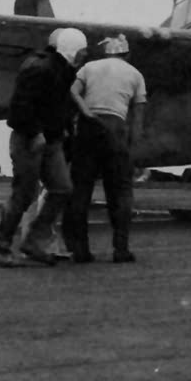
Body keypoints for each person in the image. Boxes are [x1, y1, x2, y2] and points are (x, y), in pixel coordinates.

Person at [0, 28, 92, 265]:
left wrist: (63, 130)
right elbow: (20, 106)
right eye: (82, 51)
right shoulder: (40, 67)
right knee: (24, 193)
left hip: (51, 140)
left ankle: (33, 240)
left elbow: (57, 106)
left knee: (62, 188)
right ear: (72, 48)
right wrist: (35, 133)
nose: (85, 56)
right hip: (30, 140)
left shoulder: (63, 71)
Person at [62, 33, 147, 263]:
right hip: (115, 128)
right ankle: (120, 249)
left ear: (106, 51)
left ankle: (80, 250)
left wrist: (86, 111)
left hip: (88, 128)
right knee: (120, 191)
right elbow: (138, 118)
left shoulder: (89, 67)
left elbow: (71, 91)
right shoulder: (135, 74)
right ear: (126, 54)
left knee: (81, 189)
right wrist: (132, 149)